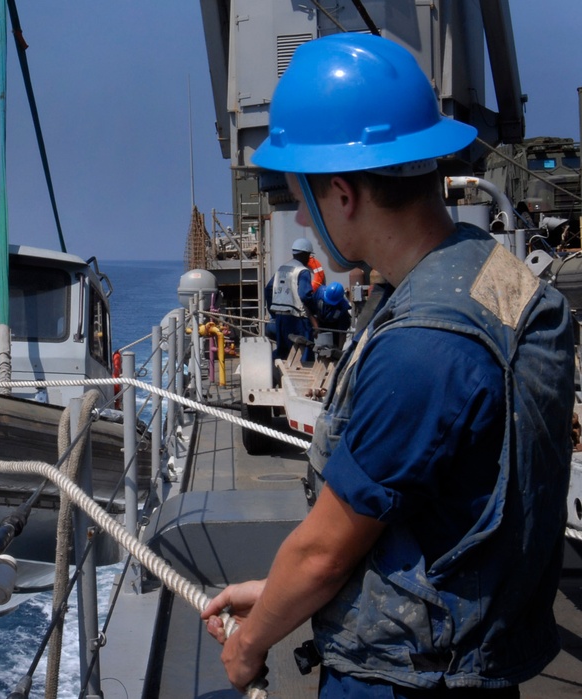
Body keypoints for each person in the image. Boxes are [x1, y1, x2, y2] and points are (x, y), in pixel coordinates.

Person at [202, 32, 575, 698]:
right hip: (475, 657)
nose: (308, 225)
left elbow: (323, 552)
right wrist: (275, 592)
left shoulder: (422, 348)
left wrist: (249, 644)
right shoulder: (496, 276)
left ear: (341, 194)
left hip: (407, 678)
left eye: (301, 199)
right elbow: (444, 499)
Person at [264, 237, 319, 360]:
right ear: (305, 254)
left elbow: (268, 289)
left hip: (280, 319)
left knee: (283, 352)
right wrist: (314, 313)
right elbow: (305, 295)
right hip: (297, 320)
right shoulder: (302, 271)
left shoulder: (282, 269)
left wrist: (273, 311)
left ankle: (276, 375)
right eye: (309, 255)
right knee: (304, 354)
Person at [313, 281, 351, 346]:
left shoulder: (343, 308)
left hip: (334, 327)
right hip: (318, 322)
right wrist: (315, 326)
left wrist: (339, 351)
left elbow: (342, 333)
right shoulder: (319, 292)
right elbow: (308, 308)